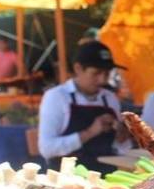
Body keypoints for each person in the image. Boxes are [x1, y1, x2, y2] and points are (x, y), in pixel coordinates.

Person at [38, 41, 130, 175]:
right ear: (78, 68)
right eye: (96, 73)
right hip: (66, 178)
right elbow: (47, 149)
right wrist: (90, 132)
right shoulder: (57, 97)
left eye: (107, 73)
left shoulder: (110, 98)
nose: (103, 80)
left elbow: (119, 149)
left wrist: (122, 137)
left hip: (106, 176)